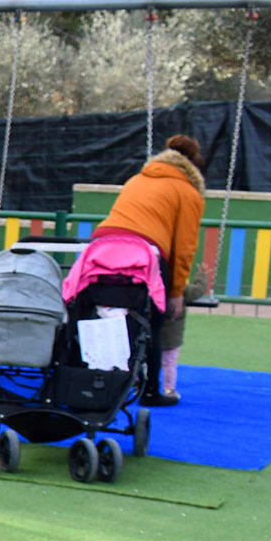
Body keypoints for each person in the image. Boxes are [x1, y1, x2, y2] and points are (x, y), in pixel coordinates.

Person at [92, 133, 209, 404]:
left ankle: (96, 380)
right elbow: (184, 247)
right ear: (193, 165)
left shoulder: (138, 179)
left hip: (103, 245)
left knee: (104, 309)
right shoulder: (188, 192)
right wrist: (177, 291)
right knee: (153, 321)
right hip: (146, 252)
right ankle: (151, 391)